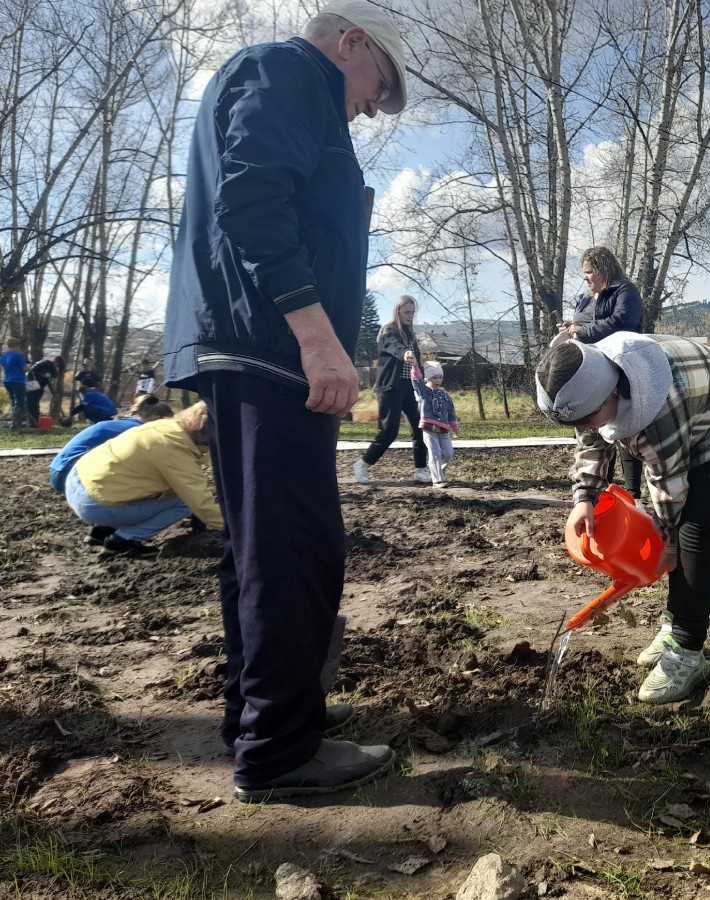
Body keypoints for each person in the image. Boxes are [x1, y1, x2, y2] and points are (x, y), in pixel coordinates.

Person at [162, 0, 407, 802]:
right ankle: (279, 751)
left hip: (250, 347)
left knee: (262, 548)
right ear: (351, 42)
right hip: (268, 350)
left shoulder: (277, 81)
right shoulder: (291, 74)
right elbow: (253, 205)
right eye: (379, 86)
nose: (372, 107)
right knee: (296, 549)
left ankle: (257, 722)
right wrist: (316, 335)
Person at [536, 333, 710, 704]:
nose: (585, 427)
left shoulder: (655, 412)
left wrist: (669, 545)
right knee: (677, 534)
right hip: (688, 402)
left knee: (693, 529)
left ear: (611, 394)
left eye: (589, 418)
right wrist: (584, 497)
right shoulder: (592, 384)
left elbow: (669, 487)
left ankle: (687, 652)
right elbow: (592, 437)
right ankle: (675, 624)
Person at [65, 401, 222, 559]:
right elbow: (203, 506)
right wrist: (242, 529)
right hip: (93, 503)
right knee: (185, 502)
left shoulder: (165, 427)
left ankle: (104, 529)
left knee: (152, 485)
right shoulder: (175, 449)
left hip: (78, 481)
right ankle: (122, 542)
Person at [557, 247, 646, 498]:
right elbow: (582, 324)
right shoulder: (585, 299)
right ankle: (599, 492)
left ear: (602, 269)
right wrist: (568, 328)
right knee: (592, 429)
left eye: (588, 272)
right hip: (591, 375)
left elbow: (623, 322)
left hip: (620, 370)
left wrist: (581, 331)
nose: (585, 278)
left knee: (626, 429)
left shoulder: (625, 291)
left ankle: (633, 495)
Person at [354, 296, 430, 484]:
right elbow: (394, 346)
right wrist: (405, 353)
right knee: (389, 431)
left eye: (413, 313)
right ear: (397, 311)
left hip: (408, 388)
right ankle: (362, 464)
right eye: (407, 312)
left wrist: (423, 381)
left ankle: (420, 470)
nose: (410, 316)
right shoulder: (389, 331)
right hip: (390, 387)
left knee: (419, 428)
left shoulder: (411, 334)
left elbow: (416, 363)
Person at [50, 394, 175, 495]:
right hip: (68, 475)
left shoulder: (124, 423)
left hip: (58, 468)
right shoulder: (137, 431)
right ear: (155, 417)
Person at [405, 354, 458, 487]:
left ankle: (439, 472)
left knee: (448, 453)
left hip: (443, 428)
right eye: (434, 377)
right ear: (428, 378)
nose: (438, 380)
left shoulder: (445, 394)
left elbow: (451, 412)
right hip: (428, 428)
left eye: (440, 377)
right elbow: (416, 380)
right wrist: (415, 366)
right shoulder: (424, 392)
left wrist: (455, 427)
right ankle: (437, 480)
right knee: (435, 453)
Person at [25, 356, 63, 423]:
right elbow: (32, 371)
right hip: (32, 386)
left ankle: (35, 421)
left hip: (39, 388)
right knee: (31, 404)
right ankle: (31, 421)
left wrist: (53, 392)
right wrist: (43, 375)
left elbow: (50, 382)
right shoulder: (43, 363)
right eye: (56, 363)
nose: (56, 365)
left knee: (35, 404)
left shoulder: (53, 370)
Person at [2, 338, 30, 429]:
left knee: (13, 401)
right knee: (20, 403)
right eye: (18, 346)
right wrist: (30, 367)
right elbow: (25, 369)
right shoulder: (18, 356)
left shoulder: (3, 356)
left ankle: (14, 423)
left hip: (7, 380)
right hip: (18, 380)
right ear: (16, 346)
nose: (19, 348)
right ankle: (16, 423)